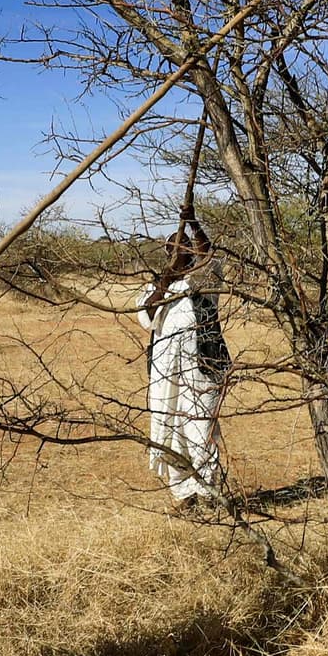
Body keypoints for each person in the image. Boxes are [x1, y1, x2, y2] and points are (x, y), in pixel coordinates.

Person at [136, 210, 230, 512]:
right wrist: (169, 274)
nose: (180, 253)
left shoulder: (205, 279)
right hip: (166, 375)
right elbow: (147, 317)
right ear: (166, 254)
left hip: (203, 370)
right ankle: (183, 495)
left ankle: (208, 495)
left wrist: (192, 221)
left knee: (200, 431)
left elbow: (209, 252)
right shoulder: (155, 288)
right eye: (174, 250)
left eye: (185, 247)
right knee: (171, 430)